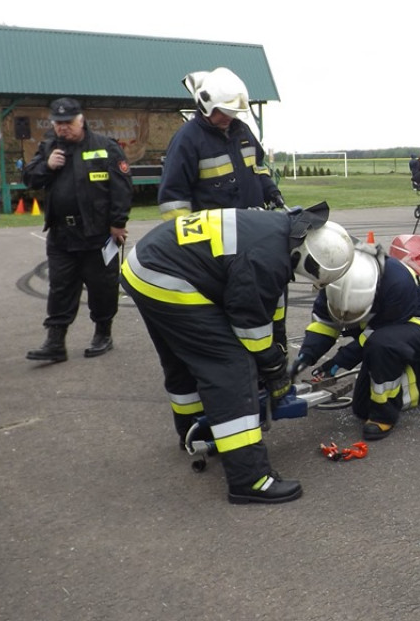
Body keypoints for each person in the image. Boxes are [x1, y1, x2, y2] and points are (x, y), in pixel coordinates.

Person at [119, 205, 355, 504]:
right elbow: (248, 324)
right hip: (168, 276)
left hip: (148, 266)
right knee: (231, 367)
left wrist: (278, 352)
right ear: (308, 262)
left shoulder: (280, 234)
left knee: (184, 360)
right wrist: (272, 369)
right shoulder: (265, 259)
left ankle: (197, 430)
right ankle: (249, 479)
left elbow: (271, 307)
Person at [290, 243, 420, 441]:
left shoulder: (397, 282)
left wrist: (338, 362)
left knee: (382, 347)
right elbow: (324, 323)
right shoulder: (335, 280)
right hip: (380, 332)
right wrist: (306, 356)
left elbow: (374, 338)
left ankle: (384, 416)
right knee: (361, 409)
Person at [24, 98, 133, 363]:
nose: (63, 128)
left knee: (103, 287)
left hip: (98, 234)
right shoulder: (48, 147)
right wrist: (47, 166)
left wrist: (118, 222)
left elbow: (121, 186)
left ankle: (102, 334)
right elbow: (29, 179)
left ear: (81, 120)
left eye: (68, 123)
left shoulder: (105, 147)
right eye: (58, 123)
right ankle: (55, 342)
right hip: (62, 235)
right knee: (60, 288)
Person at [158, 67, 284, 220]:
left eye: (232, 112)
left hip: (252, 227)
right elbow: (173, 199)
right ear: (206, 105)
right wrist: (188, 237)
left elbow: (258, 168)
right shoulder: (187, 140)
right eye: (223, 111)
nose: (228, 117)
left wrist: (271, 192)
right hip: (214, 236)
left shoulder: (243, 132)